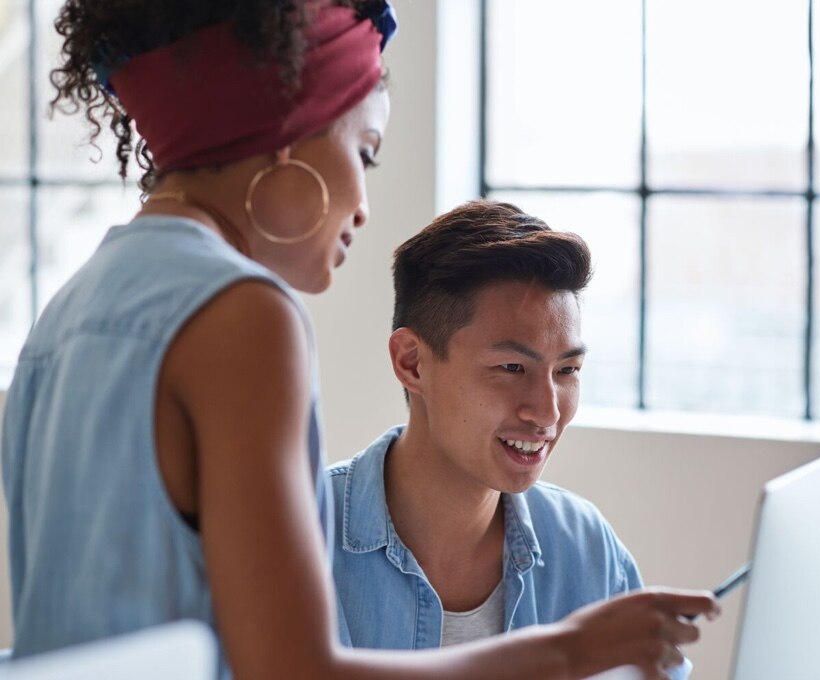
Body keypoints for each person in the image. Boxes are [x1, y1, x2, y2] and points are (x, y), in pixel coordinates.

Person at [0, 2, 718, 679]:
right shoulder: (243, 313)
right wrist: (570, 651)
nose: (365, 207)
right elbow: (294, 670)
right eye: (365, 152)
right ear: (288, 131)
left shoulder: (67, 311)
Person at [328, 200, 694, 679]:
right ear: (412, 362)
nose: (547, 411)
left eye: (567, 370)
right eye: (511, 368)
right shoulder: (298, 538)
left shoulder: (582, 545)